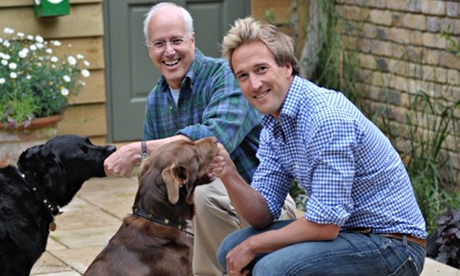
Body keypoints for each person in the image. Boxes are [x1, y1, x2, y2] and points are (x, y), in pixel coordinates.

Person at [209, 17, 427, 276]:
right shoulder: (274, 123)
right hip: (347, 234)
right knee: (230, 250)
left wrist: (254, 244)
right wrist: (229, 173)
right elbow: (262, 214)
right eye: (243, 75)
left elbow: (324, 226)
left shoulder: (324, 118)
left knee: (270, 268)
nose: (253, 84)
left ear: (287, 67)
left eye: (261, 69)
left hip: (393, 245)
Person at [103, 4, 296, 275]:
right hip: (202, 215)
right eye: (159, 43)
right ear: (149, 49)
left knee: (203, 193)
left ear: (192, 40)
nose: (169, 51)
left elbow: (216, 139)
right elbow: (156, 172)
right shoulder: (156, 100)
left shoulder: (227, 76)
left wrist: (139, 149)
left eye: (176, 40)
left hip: (261, 204)